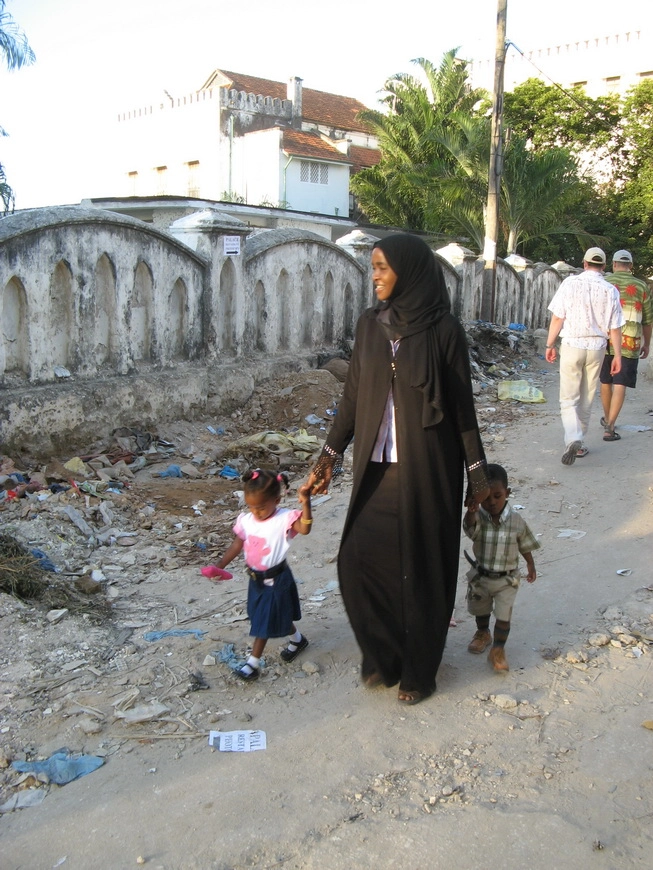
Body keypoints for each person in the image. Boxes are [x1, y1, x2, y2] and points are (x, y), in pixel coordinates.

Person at [307, 233, 489, 705]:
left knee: (422, 566)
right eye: (373, 268)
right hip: (376, 464)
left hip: (428, 467)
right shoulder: (369, 326)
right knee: (360, 558)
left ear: (407, 271)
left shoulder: (444, 330)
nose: (376, 277)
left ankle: (418, 671)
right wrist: (329, 457)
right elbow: (352, 397)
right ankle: (383, 655)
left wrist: (478, 476)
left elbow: (463, 410)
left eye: (383, 268)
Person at [207, 469, 312, 681]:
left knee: (263, 620)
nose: (256, 512)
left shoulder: (284, 519)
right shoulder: (247, 521)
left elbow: (305, 529)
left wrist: (306, 503)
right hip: (256, 580)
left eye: (262, 507)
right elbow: (237, 544)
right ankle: (297, 639)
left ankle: (252, 665)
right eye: (251, 507)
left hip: (277, 579)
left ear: (277, 499)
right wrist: (220, 566)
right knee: (268, 614)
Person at [545, 247, 625, 465]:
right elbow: (615, 328)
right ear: (604, 266)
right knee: (587, 397)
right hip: (597, 348)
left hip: (572, 344)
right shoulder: (610, 290)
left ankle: (573, 438)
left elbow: (557, 318)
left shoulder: (570, 283)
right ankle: (579, 444)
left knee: (568, 398)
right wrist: (617, 355)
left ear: (584, 263)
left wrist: (550, 344)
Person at [463, 463, 539, 672]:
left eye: (497, 496)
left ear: (507, 493)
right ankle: (482, 632)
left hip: (507, 579)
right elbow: (470, 531)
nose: (492, 502)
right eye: (486, 498)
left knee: (504, 615)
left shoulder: (516, 521)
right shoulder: (479, 517)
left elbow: (524, 543)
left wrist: (530, 564)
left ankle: (498, 649)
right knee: (481, 609)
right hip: (481, 576)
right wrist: (471, 513)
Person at [599, 249, 652, 442]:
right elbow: (647, 320)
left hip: (605, 340)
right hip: (630, 341)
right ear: (630, 266)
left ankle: (607, 418)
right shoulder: (641, 286)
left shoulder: (604, 283)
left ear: (613, 264)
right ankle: (610, 426)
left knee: (606, 380)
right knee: (620, 382)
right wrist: (647, 343)